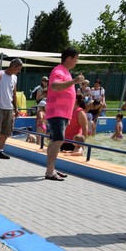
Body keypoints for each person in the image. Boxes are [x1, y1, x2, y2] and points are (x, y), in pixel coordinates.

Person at [45, 47, 86, 181]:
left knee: (54, 141)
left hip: (62, 113)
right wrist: (74, 81)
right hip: (57, 112)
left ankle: (51, 169)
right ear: (69, 58)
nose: (77, 61)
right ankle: (50, 172)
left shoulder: (65, 72)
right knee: (58, 140)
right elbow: (54, 86)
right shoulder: (58, 71)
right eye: (76, 58)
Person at [0, 58, 24, 161]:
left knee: (6, 132)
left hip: (9, 108)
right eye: (18, 69)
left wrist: (16, 108)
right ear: (13, 66)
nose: (19, 71)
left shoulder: (14, 78)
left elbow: (14, 94)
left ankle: (0, 151)